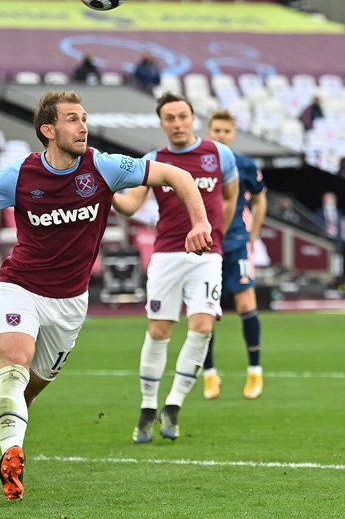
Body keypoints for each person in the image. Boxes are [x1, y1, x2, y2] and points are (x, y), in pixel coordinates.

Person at [0, 90, 211, 501]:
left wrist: (199, 221)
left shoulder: (103, 166)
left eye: (84, 117)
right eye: (72, 119)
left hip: (70, 302)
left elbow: (179, 176)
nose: (82, 125)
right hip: (21, 287)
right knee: (14, 367)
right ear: (49, 130)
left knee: (24, 394)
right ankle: (12, 456)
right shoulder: (19, 176)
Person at [111, 93, 238, 443]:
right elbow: (130, 205)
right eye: (170, 118)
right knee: (159, 331)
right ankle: (148, 407)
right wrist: (105, 190)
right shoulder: (154, 161)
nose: (178, 123)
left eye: (183, 116)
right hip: (166, 254)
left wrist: (219, 240)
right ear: (162, 123)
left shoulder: (219, 155)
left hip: (207, 256)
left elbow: (229, 200)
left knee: (202, 326)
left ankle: (174, 405)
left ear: (193, 118)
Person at [203, 110, 268, 400]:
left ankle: (255, 371)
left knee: (246, 303)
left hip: (237, 242)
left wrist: (253, 238)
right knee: (203, 309)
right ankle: (209, 374)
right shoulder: (198, 162)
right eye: (216, 130)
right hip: (206, 243)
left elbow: (260, 198)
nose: (221, 135)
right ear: (208, 131)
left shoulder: (245, 164)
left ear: (233, 133)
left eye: (226, 131)